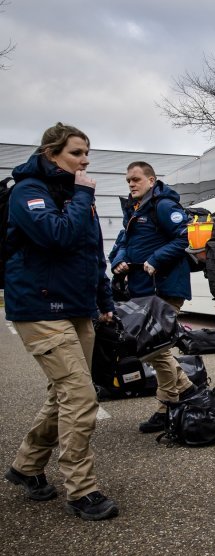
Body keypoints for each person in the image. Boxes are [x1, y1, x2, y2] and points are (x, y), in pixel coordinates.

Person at [3, 123, 119, 521]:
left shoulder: (75, 195)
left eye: (87, 152)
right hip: (39, 309)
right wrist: (84, 193)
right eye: (76, 153)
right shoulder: (28, 191)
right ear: (52, 154)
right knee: (81, 396)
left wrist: (103, 301)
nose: (85, 160)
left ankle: (26, 466)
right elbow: (57, 237)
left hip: (77, 307)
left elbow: (91, 253)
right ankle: (82, 489)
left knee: (62, 395)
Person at [110, 161, 195, 433]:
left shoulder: (164, 205)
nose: (132, 184)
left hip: (165, 287)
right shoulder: (135, 210)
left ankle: (168, 405)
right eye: (128, 181)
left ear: (151, 179)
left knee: (155, 349)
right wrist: (120, 261)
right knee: (152, 349)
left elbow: (184, 238)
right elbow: (124, 242)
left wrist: (156, 259)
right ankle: (186, 389)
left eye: (136, 179)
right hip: (143, 288)